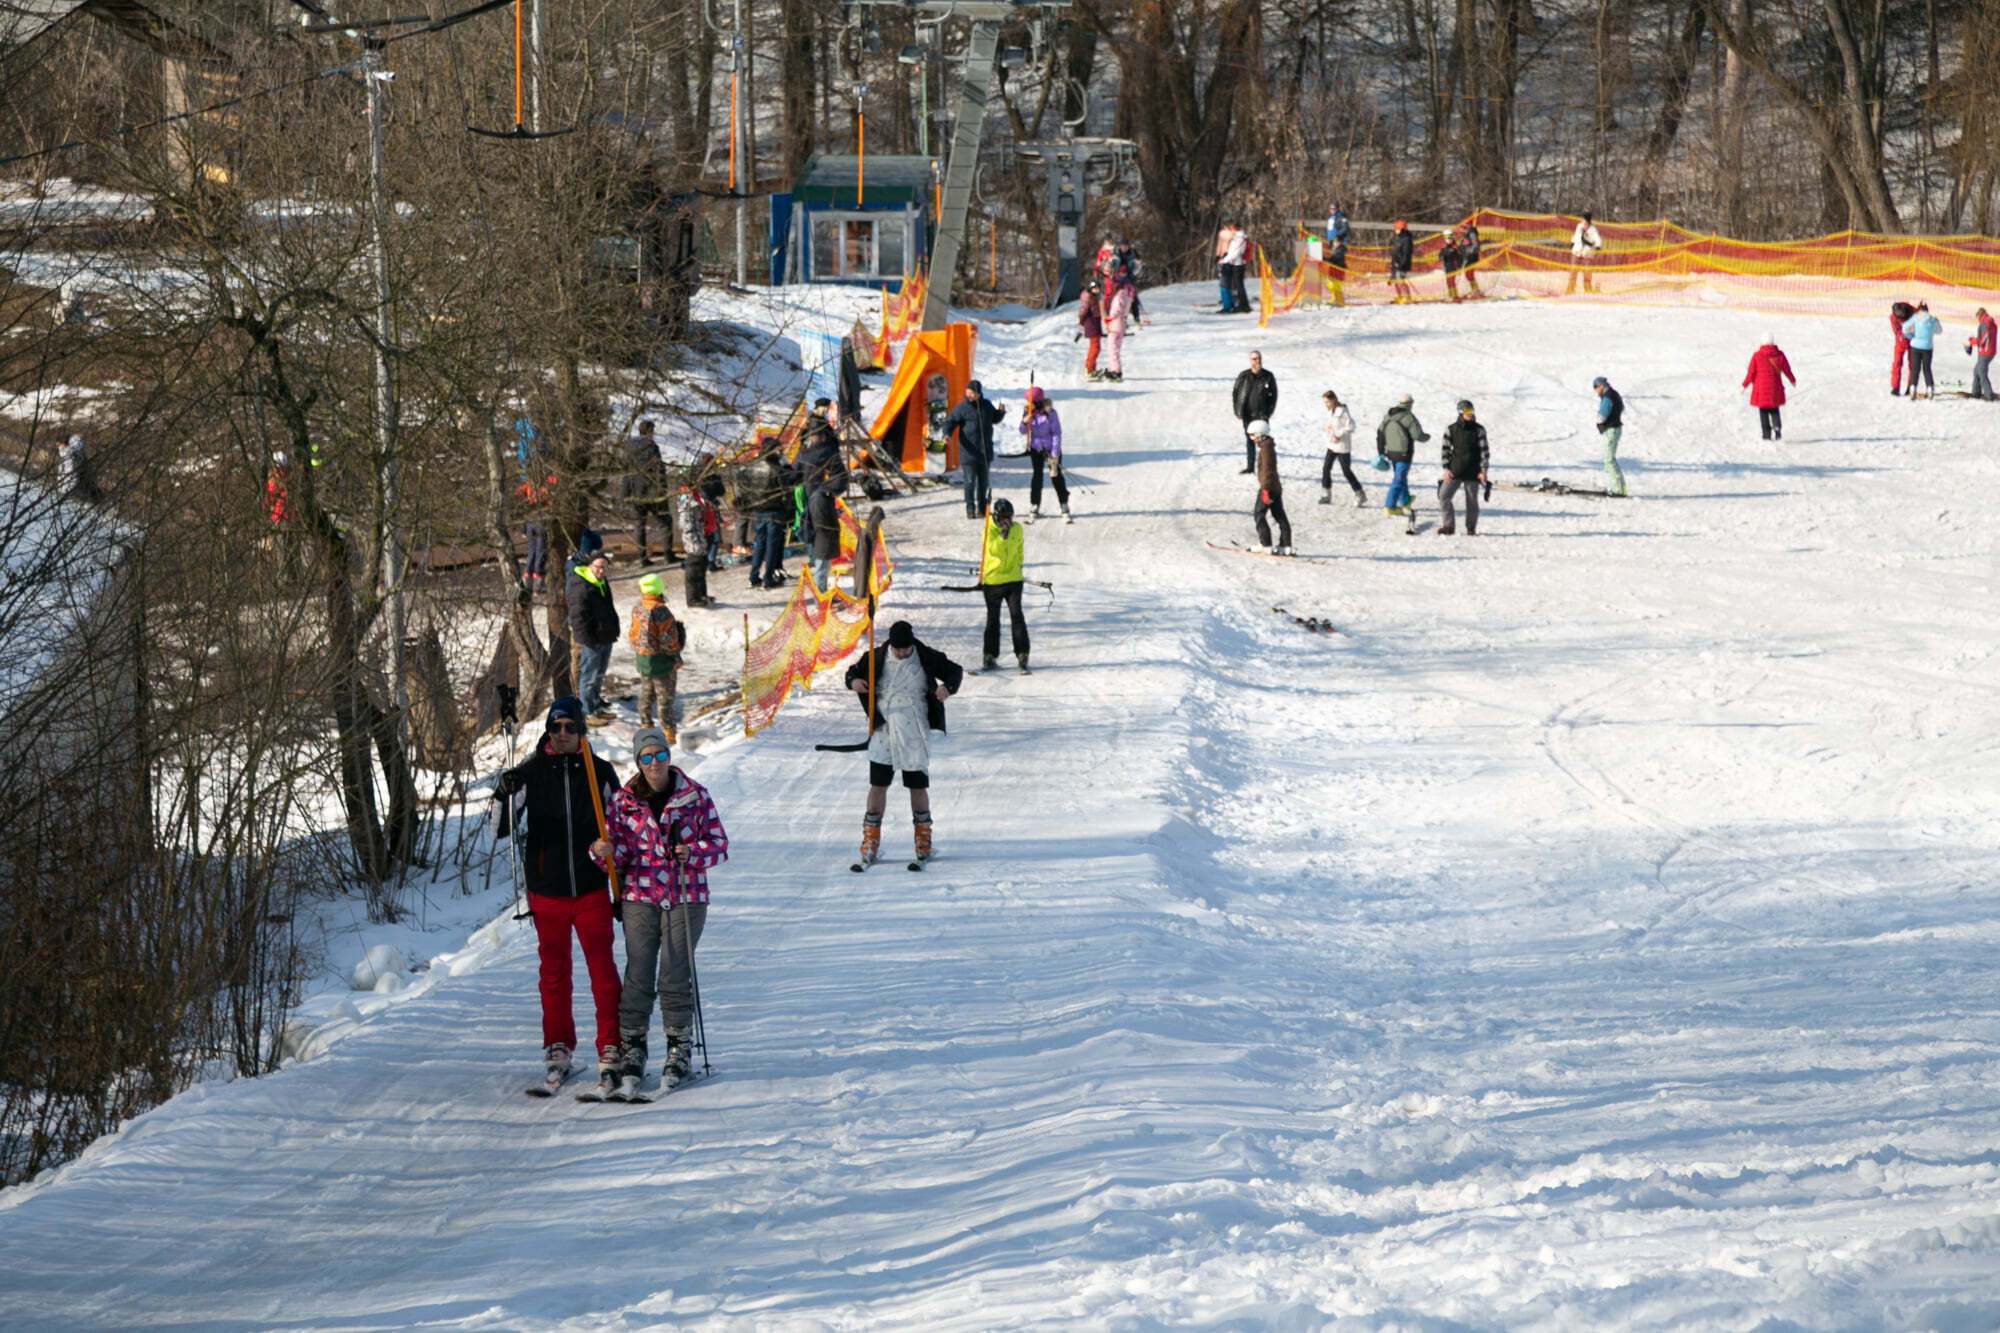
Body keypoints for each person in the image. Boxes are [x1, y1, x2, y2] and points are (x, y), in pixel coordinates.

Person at [496, 696, 625, 1090]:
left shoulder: (599, 771)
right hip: (547, 890)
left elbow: (623, 826)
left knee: (602, 971)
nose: (563, 734)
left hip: (590, 888)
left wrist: (616, 858)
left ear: (582, 730)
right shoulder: (532, 772)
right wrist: (504, 793)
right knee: (553, 973)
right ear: (548, 731)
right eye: (556, 728)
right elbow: (502, 827)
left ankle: (611, 1046)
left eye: (570, 727)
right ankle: (558, 1046)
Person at [591, 727, 727, 1094]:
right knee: (638, 972)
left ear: (669, 756)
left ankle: (678, 1046)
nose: (654, 764)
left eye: (660, 755)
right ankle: (633, 1045)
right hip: (640, 894)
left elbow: (719, 844)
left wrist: (692, 853)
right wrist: (602, 854)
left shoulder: (694, 795)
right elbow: (618, 854)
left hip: (686, 892)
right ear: (638, 762)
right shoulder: (623, 801)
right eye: (646, 757)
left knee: (674, 971)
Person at [845, 619, 964, 867]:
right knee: (878, 784)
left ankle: (923, 839)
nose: (902, 653)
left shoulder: (925, 655)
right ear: (890, 644)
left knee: (917, 785)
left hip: (914, 727)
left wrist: (947, 688)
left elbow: (955, 671)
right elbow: (852, 673)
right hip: (883, 728)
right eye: (898, 649)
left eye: (906, 649)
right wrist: (853, 682)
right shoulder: (875, 656)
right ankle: (870, 840)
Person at [628, 573, 684, 737]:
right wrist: (676, 656)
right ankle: (668, 731)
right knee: (665, 697)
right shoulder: (661, 611)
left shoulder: (638, 607)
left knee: (646, 692)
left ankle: (646, 723)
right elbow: (668, 640)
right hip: (662, 661)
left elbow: (633, 634)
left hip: (643, 659)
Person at [978, 497, 1031, 670]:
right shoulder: (989, 530)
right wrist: (1002, 536)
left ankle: (1022, 652)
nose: (1007, 522)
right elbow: (992, 550)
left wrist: (1019, 566)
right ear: (996, 517)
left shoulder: (1017, 529)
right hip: (993, 581)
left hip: (1014, 580)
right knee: (993, 619)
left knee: (1017, 615)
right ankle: (990, 654)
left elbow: (1020, 548)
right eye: (1003, 518)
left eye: (1010, 517)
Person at [566, 547, 619, 721]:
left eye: (604, 567)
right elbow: (577, 616)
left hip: (605, 635)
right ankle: (587, 710)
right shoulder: (580, 584)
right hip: (592, 639)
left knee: (600, 672)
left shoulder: (602, 582)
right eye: (598, 566)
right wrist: (586, 639)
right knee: (589, 675)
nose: (601, 570)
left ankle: (595, 701)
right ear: (589, 566)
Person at [944, 380, 1006, 518]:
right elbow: (950, 421)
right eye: (968, 392)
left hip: (984, 452)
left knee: (983, 482)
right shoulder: (962, 408)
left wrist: (1001, 412)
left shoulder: (986, 405)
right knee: (970, 481)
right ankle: (970, 508)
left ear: (979, 394)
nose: (970, 395)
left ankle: (982, 508)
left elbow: (994, 419)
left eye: (973, 393)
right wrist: (947, 433)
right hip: (968, 453)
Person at [744, 440, 794, 590]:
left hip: (758, 510)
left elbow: (747, 488)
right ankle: (768, 578)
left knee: (760, 544)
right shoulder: (776, 469)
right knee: (771, 546)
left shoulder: (753, 467)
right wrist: (789, 510)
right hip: (774, 510)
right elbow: (786, 491)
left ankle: (753, 577)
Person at [622, 419, 674, 565]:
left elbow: (625, 472)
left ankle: (642, 558)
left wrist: (625, 494)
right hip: (653, 492)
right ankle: (668, 555)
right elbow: (659, 470)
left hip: (635, 493)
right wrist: (662, 490)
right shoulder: (651, 447)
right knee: (665, 522)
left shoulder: (629, 448)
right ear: (650, 431)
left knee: (639, 525)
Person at [1018, 386, 1071, 522]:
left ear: (1038, 401)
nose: (1028, 404)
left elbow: (1056, 434)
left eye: (1031, 402)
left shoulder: (1050, 413)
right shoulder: (1028, 412)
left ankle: (1064, 504)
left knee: (1055, 476)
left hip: (1050, 450)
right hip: (1036, 449)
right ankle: (1035, 504)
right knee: (1037, 477)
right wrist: (1025, 422)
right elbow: (1022, 431)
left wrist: (1054, 453)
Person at [1437, 399, 1489, 536]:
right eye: (1467, 411)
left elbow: (1484, 452)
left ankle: (1471, 528)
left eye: (1471, 411)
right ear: (1461, 412)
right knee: (1443, 496)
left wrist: (1483, 471)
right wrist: (1446, 469)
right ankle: (1448, 526)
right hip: (1455, 470)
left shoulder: (1479, 430)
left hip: (1473, 472)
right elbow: (1445, 450)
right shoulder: (1451, 429)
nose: (1470, 414)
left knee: (1472, 501)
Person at [1378, 394, 1427, 516]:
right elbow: (1417, 435)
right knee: (1398, 480)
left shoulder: (1388, 415)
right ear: (1410, 404)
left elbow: (1380, 433)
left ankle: (1405, 500)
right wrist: (1427, 437)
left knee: (1400, 477)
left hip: (1391, 453)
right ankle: (1389, 507)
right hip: (1404, 454)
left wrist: (1380, 452)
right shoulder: (1409, 417)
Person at [1742, 333, 1797, 440]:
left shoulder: (1757, 356)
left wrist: (1744, 385)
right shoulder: (1780, 355)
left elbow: (1751, 373)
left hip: (1761, 390)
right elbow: (1787, 370)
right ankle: (1777, 429)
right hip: (1775, 389)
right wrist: (1792, 380)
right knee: (1774, 409)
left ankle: (1766, 434)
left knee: (1763, 411)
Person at [1232, 350, 1278, 474]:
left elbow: (1274, 396)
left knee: (1263, 442)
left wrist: (1268, 412)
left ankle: (1265, 467)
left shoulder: (1268, 376)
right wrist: (1238, 411)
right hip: (1247, 414)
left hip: (1261, 414)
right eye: (1254, 359)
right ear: (1250, 361)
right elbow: (1236, 393)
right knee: (1249, 440)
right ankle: (1250, 466)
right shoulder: (1243, 376)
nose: (1257, 361)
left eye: (1258, 358)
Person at [1249, 422, 1292, 556]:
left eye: (1252, 435)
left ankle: (1265, 544)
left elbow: (1268, 470)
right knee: (1279, 515)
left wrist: (1265, 490)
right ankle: (1286, 545)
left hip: (1268, 487)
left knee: (1259, 514)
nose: (1251, 439)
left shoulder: (1266, 449)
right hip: (1275, 487)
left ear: (1259, 434)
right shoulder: (1267, 446)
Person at [674, 481, 714, 609]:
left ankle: (701, 594)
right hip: (693, 537)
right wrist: (694, 534)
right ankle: (692, 598)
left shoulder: (697, 496)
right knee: (694, 567)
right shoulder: (686, 500)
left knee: (702, 564)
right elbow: (685, 523)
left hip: (700, 535)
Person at [1320, 390, 1364, 506]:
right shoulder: (1331, 411)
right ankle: (1326, 494)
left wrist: (1338, 435)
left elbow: (1351, 426)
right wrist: (1327, 428)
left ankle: (1359, 493)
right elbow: (1330, 423)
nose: (1326, 405)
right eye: (1324, 402)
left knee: (1346, 471)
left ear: (1334, 400)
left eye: (1327, 402)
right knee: (1326, 468)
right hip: (1331, 445)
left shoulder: (1343, 412)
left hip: (1342, 447)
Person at [1592, 375, 1628, 496]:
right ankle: (1620, 488)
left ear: (1602, 386)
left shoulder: (1607, 397)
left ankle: (1618, 490)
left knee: (1609, 461)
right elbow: (1622, 407)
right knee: (1609, 459)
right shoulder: (1614, 393)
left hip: (1611, 430)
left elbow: (1601, 416)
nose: (1595, 390)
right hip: (1615, 428)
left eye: (1596, 387)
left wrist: (1600, 423)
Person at [808, 469, 841, 592]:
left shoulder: (824, 496)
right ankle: (820, 597)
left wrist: (835, 513)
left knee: (824, 568)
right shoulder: (819, 498)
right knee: (821, 569)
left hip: (826, 537)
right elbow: (820, 519)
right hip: (823, 537)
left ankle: (823, 594)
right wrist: (833, 517)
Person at [1101, 266, 1135, 381]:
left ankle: (1116, 371)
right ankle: (1114, 369)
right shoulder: (1126, 294)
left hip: (1116, 323)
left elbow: (1117, 309)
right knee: (1115, 347)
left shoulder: (1120, 294)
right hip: (1120, 322)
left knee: (1112, 348)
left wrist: (1109, 319)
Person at [1902, 302, 1942, 398]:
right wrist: (1931, 332)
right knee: (1927, 369)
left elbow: (1904, 328)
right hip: (1928, 347)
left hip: (1915, 346)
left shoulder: (1915, 317)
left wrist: (1911, 336)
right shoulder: (1932, 319)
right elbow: (1939, 331)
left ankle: (1912, 388)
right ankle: (1930, 388)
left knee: (1915, 369)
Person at [1566, 211, 1602, 294]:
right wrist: (1572, 243)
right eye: (1582, 220)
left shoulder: (1593, 229)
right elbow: (1576, 236)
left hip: (1587, 252)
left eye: (1584, 220)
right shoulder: (1579, 226)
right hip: (1577, 251)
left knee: (1587, 271)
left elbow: (1597, 240)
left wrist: (1597, 246)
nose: (1582, 221)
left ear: (1588, 221)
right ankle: (1570, 289)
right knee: (1573, 270)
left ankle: (1587, 289)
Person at [1220, 221, 1251, 315]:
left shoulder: (1239, 238)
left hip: (1238, 264)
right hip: (1236, 263)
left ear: (1234, 228)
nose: (1229, 230)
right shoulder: (1238, 237)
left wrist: (1224, 260)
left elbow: (1235, 253)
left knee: (1239, 285)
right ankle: (1243, 304)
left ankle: (1244, 306)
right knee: (1238, 285)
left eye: (1230, 228)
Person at [1969, 307, 1997, 401]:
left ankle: (1989, 395)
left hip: (1986, 352)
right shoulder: (1990, 322)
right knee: (1977, 370)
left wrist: (1972, 342)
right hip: (1988, 351)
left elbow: (1983, 339)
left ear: (1979, 315)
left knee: (1981, 372)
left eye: (1977, 317)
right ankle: (1976, 392)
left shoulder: (1985, 323)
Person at [1890, 300, 1917, 396]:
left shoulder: (1915, 313)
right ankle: (1895, 387)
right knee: (1897, 363)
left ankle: (1910, 386)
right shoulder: (1893, 317)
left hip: (1913, 341)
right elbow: (1896, 331)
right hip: (1900, 341)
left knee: (1912, 364)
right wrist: (1901, 336)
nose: (1901, 321)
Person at [1077, 284, 1104, 380]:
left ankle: (1091, 368)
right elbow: (1082, 311)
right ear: (1090, 288)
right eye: (1095, 288)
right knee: (1095, 347)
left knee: (1095, 347)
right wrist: (1081, 322)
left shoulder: (1093, 296)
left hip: (1094, 324)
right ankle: (1089, 370)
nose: (1097, 290)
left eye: (1098, 288)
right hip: (1091, 325)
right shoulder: (1088, 297)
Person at [1214, 222, 1239, 312]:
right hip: (1225, 260)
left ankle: (1228, 305)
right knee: (1228, 283)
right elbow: (1219, 245)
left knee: (1225, 284)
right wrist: (1217, 256)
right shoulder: (1225, 233)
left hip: (1228, 260)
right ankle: (1231, 303)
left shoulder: (1234, 234)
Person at [1388, 220, 1415, 303]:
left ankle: (1407, 297)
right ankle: (1400, 296)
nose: (1395, 230)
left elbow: (1406, 253)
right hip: (1395, 262)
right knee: (1395, 280)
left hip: (1402, 263)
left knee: (1400, 280)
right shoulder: (1396, 238)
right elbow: (1393, 249)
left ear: (1402, 229)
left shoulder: (1406, 239)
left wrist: (1402, 263)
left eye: (1397, 228)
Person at [1460, 223, 1483, 298]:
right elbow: (1464, 246)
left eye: (1463, 228)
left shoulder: (1472, 233)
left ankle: (1476, 291)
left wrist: (1469, 251)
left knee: (1469, 274)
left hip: (1472, 256)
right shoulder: (1466, 235)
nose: (1461, 231)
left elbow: (1475, 245)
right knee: (1468, 274)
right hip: (1468, 257)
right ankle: (1475, 290)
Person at [1440, 231, 1464, 303]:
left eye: (1449, 237)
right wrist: (1442, 255)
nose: (1448, 239)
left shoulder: (1454, 247)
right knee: (1448, 281)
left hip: (1453, 265)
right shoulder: (1445, 247)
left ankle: (1454, 296)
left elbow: (1459, 256)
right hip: (1447, 265)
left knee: (1451, 281)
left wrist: (1459, 266)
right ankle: (1452, 295)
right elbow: (1441, 255)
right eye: (1446, 237)